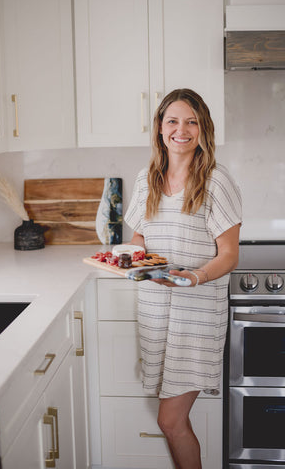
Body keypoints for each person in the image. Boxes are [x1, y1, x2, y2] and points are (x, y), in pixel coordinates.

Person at [124, 88, 242, 469]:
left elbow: (229, 255)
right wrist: (132, 257)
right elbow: (140, 235)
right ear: (160, 128)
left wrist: (194, 277)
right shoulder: (147, 179)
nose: (182, 130)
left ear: (203, 129)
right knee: (172, 419)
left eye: (191, 121)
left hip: (196, 314)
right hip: (156, 310)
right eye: (173, 120)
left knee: (169, 420)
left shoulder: (216, 181)